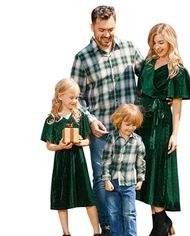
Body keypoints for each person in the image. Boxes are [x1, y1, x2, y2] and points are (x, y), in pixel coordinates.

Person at [70, 5, 144, 235]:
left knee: (129, 179)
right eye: (101, 29)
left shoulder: (130, 49)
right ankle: (108, 228)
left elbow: (148, 78)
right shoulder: (82, 58)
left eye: (110, 29)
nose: (106, 34)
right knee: (103, 181)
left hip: (129, 132)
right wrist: (90, 120)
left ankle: (128, 229)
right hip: (101, 131)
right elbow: (75, 97)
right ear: (92, 27)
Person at [136, 23, 190, 236]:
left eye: (161, 42)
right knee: (145, 170)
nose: (157, 46)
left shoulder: (176, 69)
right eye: (154, 42)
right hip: (143, 122)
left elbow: (178, 104)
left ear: (170, 41)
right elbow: (140, 91)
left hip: (161, 124)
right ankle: (162, 221)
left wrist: (175, 134)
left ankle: (160, 226)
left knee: (159, 171)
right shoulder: (148, 63)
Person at [40, 78, 101, 236]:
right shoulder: (52, 119)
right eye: (71, 97)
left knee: (88, 197)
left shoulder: (80, 116)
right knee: (61, 198)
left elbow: (88, 139)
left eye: (77, 97)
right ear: (60, 96)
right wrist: (59, 146)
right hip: (62, 164)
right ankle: (66, 232)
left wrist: (82, 142)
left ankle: (97, 231)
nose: (75, 101)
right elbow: (48, 145)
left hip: (78, 161)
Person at [101, 104, 146, 236]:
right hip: (113, 183)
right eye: (127, 124)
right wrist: (106, 179)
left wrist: (140, 179)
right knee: (114, 213)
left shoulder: (138, 141)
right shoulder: (112, 138)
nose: (130, 128)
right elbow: (106, 160)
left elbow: (141, 162)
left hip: (129, 184)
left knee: (129, 213)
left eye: (134, 125)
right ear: (119, 122)